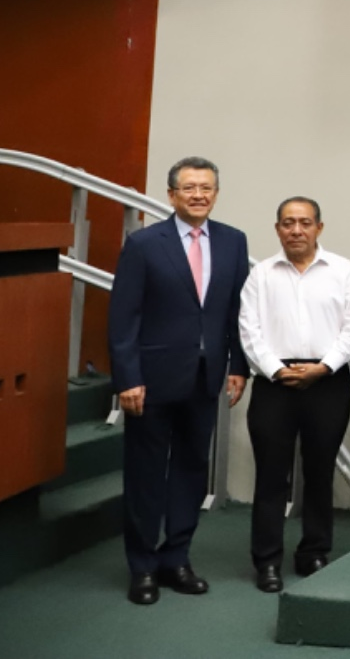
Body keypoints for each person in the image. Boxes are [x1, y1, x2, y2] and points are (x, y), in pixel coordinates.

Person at [107, 156, 249, 606]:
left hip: (205, 380)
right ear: (171, 195)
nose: (198, 195)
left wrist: (240, 366)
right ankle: (143, 566)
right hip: (149, 382)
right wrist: (127, 377)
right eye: (188, 188)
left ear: (216, 193)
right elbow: (123, 318)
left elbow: (237, 314)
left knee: (191, 471)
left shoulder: (232, 242)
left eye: (206, 187)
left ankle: (177, 559)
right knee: (147, 474)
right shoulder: (145, 244)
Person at [238, 196, 350, 593]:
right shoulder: (260, 275)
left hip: (327, 380)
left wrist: (324, 367)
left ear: (319, 228)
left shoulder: (344, 272)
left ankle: (314, 551)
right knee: (272, 476)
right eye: (288, 223)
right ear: (277, 229)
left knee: (319, 471)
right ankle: (268, 561)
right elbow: (249, 329)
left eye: (305, 223)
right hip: (274, 383)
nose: (296, 230)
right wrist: (277, 370)